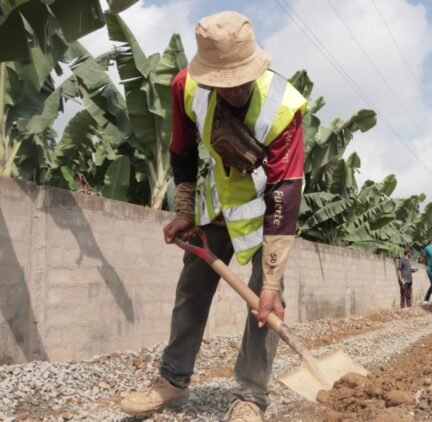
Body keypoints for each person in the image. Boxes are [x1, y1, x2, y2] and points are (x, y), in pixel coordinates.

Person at [119, 11, 308, 420]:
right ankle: (172, 381)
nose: (235, 89)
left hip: (265, 213)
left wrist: (271, 280)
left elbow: (285, 193)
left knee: (266, 302)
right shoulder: (186, 87)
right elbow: (182, 152)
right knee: (191, 290)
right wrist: (185, 210)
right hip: (214, 205)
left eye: (242, 79)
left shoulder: (283, 107)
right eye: (225, 82)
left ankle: (251, 396)